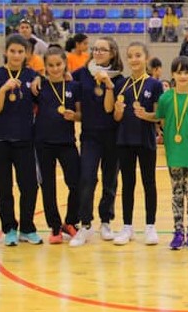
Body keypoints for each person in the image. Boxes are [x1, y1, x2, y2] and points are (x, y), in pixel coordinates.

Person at [0, 34, 41, 246]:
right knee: (3, 187)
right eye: (13, 51)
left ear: (26, 54)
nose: (17, 55)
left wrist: (40, 80)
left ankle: (27, 228)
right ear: (6, 52)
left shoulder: (32, 75)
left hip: (25, 139)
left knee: (29, 185)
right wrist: (3, 89)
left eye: (21, 51)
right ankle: (9, 228)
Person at [68, 37, 124, 247]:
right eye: (95, 49)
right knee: (87, 177)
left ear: (112, 53)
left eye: (103, 50)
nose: (98, 52)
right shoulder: (81, 74)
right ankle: (85, 224)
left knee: (110, 179)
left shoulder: (118, 79)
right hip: (90, 135)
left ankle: (106, 221)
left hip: (113, 136)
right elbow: (60, 81)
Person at [153, 56, 188, 250]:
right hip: (174, 152)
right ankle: (177, 232)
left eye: (186, 72)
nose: (183, 76)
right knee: (176, 193)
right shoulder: (166, 98)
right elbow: (162, 121)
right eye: (178, 72)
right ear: (173, 74)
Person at [112, 42, 162, 246]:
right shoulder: (121, 84)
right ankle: (127, 227)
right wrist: (118, 111)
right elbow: (115, 117)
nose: (134, 59)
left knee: (149, 183)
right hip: (124, 140)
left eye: (138, 55)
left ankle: (150, 226)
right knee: (128, 183)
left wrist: (146, 115)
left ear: (146, 58)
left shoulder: (154, 84)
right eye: (130, 56)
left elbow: (159, 116)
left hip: (146, 140)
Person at [35, 47, 82, 244]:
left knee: (77, 183)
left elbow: (81, 114)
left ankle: (70, 221)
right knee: (48, 186)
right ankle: (54, 226)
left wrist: (75, 117)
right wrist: (37, 77)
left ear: (65, 65)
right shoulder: (38, 87)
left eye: (58, 65)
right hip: (43, 142)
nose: (55, 69)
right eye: (50, 65)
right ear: (45, 67)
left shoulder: (74, 87)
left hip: (67, 142)